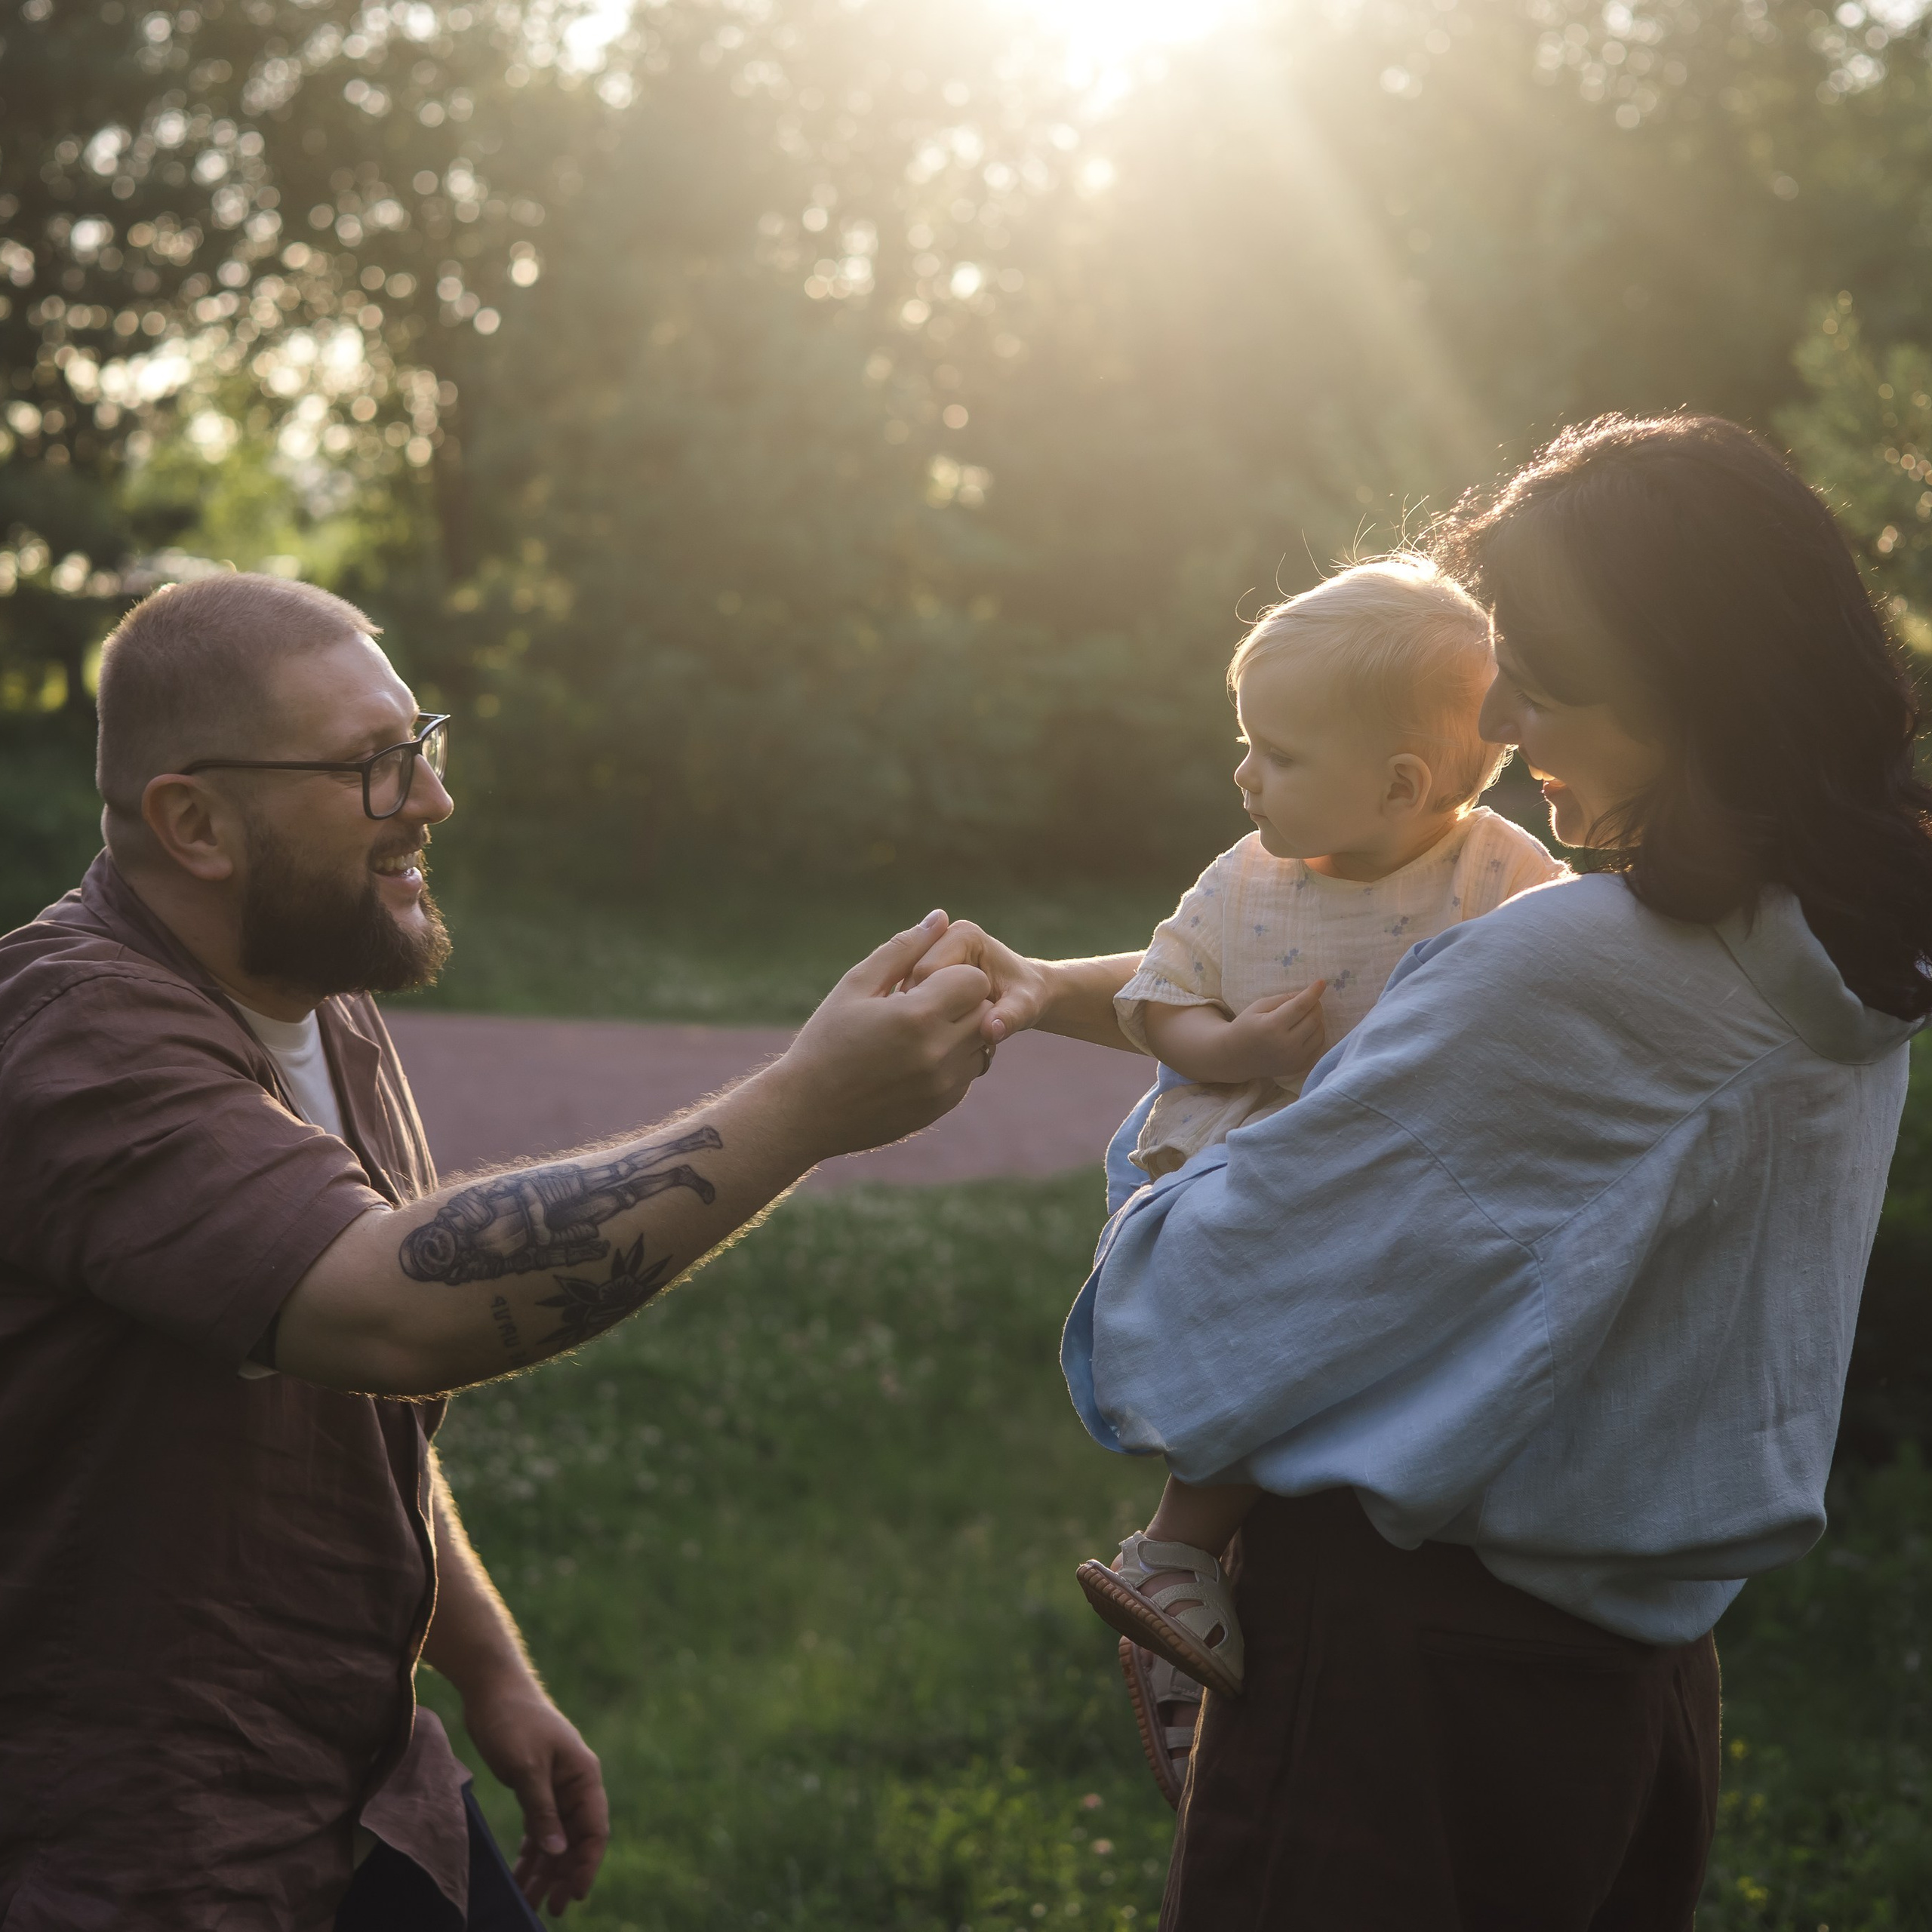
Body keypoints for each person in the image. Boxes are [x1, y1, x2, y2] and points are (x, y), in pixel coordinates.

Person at [917, 414, 1932, 1927]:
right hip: (1640, 1691)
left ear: (1690, 682)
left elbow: (1181, 1333)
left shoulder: (1561, 969)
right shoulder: (1843, 953)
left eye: (1546, 668)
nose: (1506, 716)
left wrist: (1187, 1127)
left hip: (1397, 1678)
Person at [0, 573, 994, 1930]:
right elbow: (395, 1315)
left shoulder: (317, 996)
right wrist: (808, 1106)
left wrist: (489, 1672)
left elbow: (356, 1396)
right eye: (371, 766)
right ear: (194, 822)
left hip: (362, 1782)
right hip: (149, 1844)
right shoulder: (76, 1043)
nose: (431, 799)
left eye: (424, 744)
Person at [1069, 557, 1564, 1720]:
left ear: (1402, 783)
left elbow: (1562, 991)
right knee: (1276, 1334)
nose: (1244, 778)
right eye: (1248, 745)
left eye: (1279, 756)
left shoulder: (1502, 875)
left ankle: (1217, 1622)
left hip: (1402, 1181)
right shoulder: (1244, 881)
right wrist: (1229, 1048)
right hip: (1251, 1170)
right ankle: (1174, 1558)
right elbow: (1159, 995)